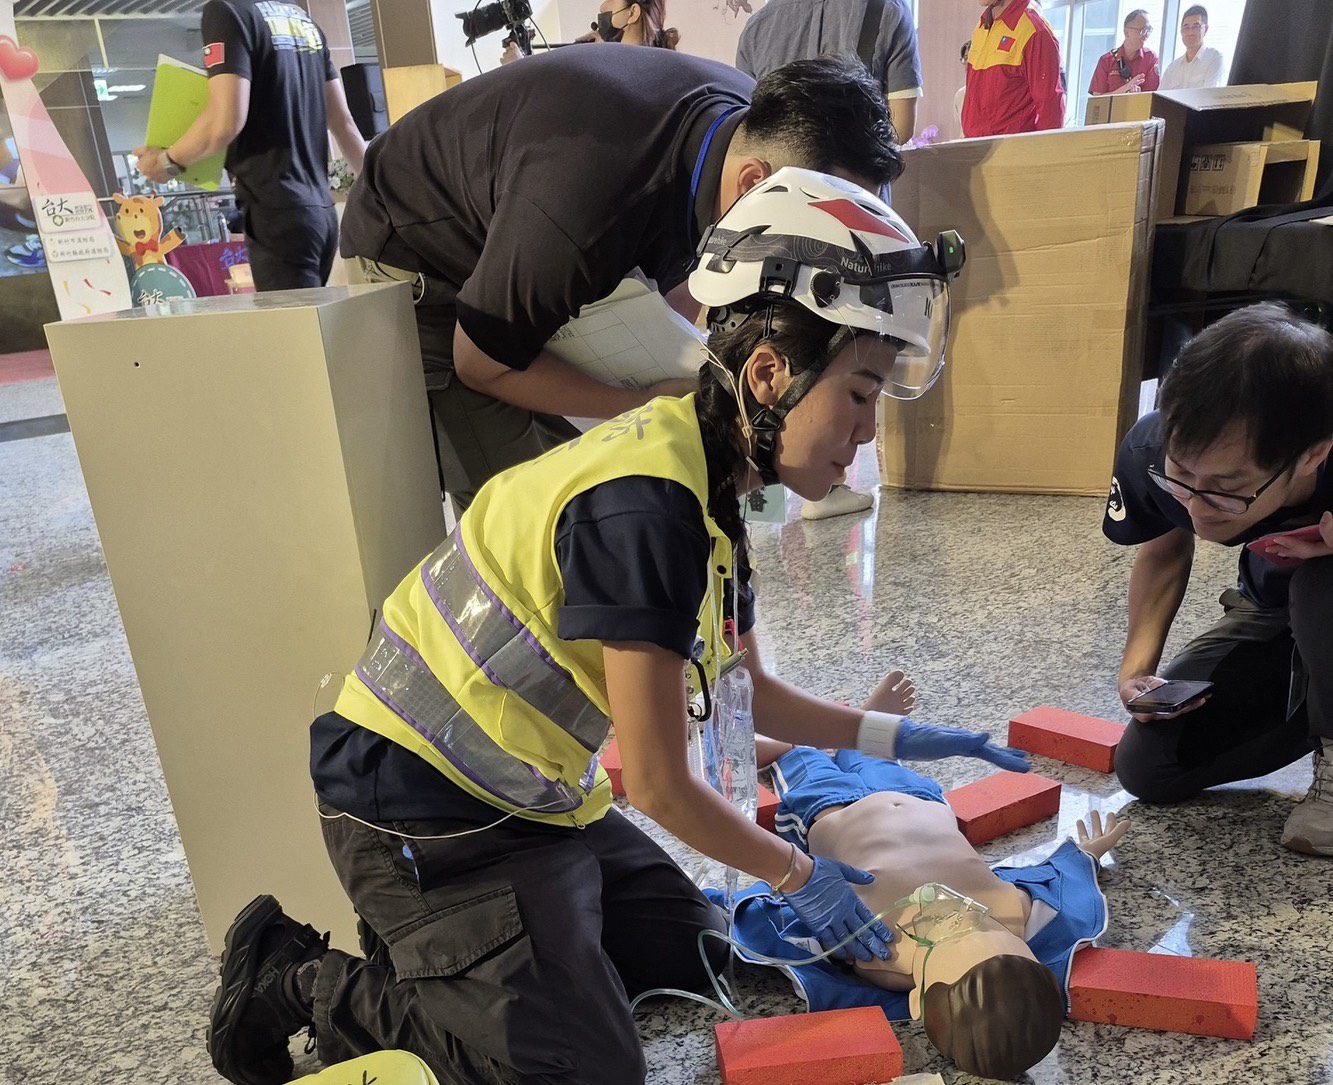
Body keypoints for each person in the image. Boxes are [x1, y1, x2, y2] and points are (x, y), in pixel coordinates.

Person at [204, 170, 1005, 1085]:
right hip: (419, 816)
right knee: (578, 1073)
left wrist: (893, 736)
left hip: (534, 803)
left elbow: (753, 692)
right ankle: (299, 976)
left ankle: (472, 960)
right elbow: (662, 784)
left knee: (692, 944)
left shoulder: (706, 484)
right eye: (861, 393)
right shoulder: (646, 510)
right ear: (771, 372)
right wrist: (796, 871)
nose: (866, 432)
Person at [339, 51, 902, 512]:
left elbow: (687, 284)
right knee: (541, 503)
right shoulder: (588, 207)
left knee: (632, 469)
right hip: (422, 261)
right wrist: (636, 401)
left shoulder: (745, 136)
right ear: (754, 182)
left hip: (530, 249)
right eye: (813, 243)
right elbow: (480, 360)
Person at [720, 740, 1124, 1079]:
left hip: (829, 810)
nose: (960, 912)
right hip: (918, 799)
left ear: (917, 1001)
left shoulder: (875, 954)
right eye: (985, 925)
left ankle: (808, 739)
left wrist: (726, 903)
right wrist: (1083, 856)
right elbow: (1060, 884)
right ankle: (857, 732)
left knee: (796, 753)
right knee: (870, 750)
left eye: (950, 934)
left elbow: (773, 924)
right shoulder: (1023, 917)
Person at [1104, 304, 1333, 855]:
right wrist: (1138, 670)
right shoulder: (1151, 449)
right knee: (1149, 767)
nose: (1200, 510)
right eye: (1183, 477)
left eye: (1230, 489)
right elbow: (1164, 550)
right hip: (1274, 613)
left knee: (1320, 586)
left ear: (1314, 455)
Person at [734, 0, 922, 522]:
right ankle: (802, 487)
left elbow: (754, 127)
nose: (870, 431)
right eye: (865, 404)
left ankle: (760, 502)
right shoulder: (885, 13)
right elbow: (900, 126)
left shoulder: (759, 28)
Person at [135, 0, 365, 291]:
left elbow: (226, 122)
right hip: (321, 212)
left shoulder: (227, 11)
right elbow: (344, 124)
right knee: (311, 331)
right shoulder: (301, 20)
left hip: (276, 212)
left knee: (295, 333)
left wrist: (166, 162)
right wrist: (381, 196)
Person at [735, 0, 922, 144]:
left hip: (777, 182)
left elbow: (745, 127)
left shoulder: (757, 26)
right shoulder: (889, 11)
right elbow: (901, 128)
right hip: (856, 186)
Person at [962, 0, 1065, 138]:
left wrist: (1044, 156)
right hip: (977, 149)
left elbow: (1050, 108)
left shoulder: (1035, 31)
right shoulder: (982, 26)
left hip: (1012, 152)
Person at [500, 0, 679, 64]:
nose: (602, 6)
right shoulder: (653, 64)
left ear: (632, 13)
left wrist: (518, 69)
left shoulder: (626, 73)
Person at [1088, 9, 1160, 96]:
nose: (1146, 35)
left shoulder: (1150, 58)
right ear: (1127, 32)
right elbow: (1097, 100)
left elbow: (1153, 95)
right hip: (1113, 109)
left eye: (1149, 30)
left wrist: (1137, 96)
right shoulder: (1106, 61)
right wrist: (1127, 88)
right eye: (1142, 31)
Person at [1159, 5, 1225, 91]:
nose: (1190, 32)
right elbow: (1159, 98)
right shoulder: (1172, 68)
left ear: (1206, 29)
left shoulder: (1214, 58)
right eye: (1186, 27)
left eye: (1196, 26)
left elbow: (1209, 97)